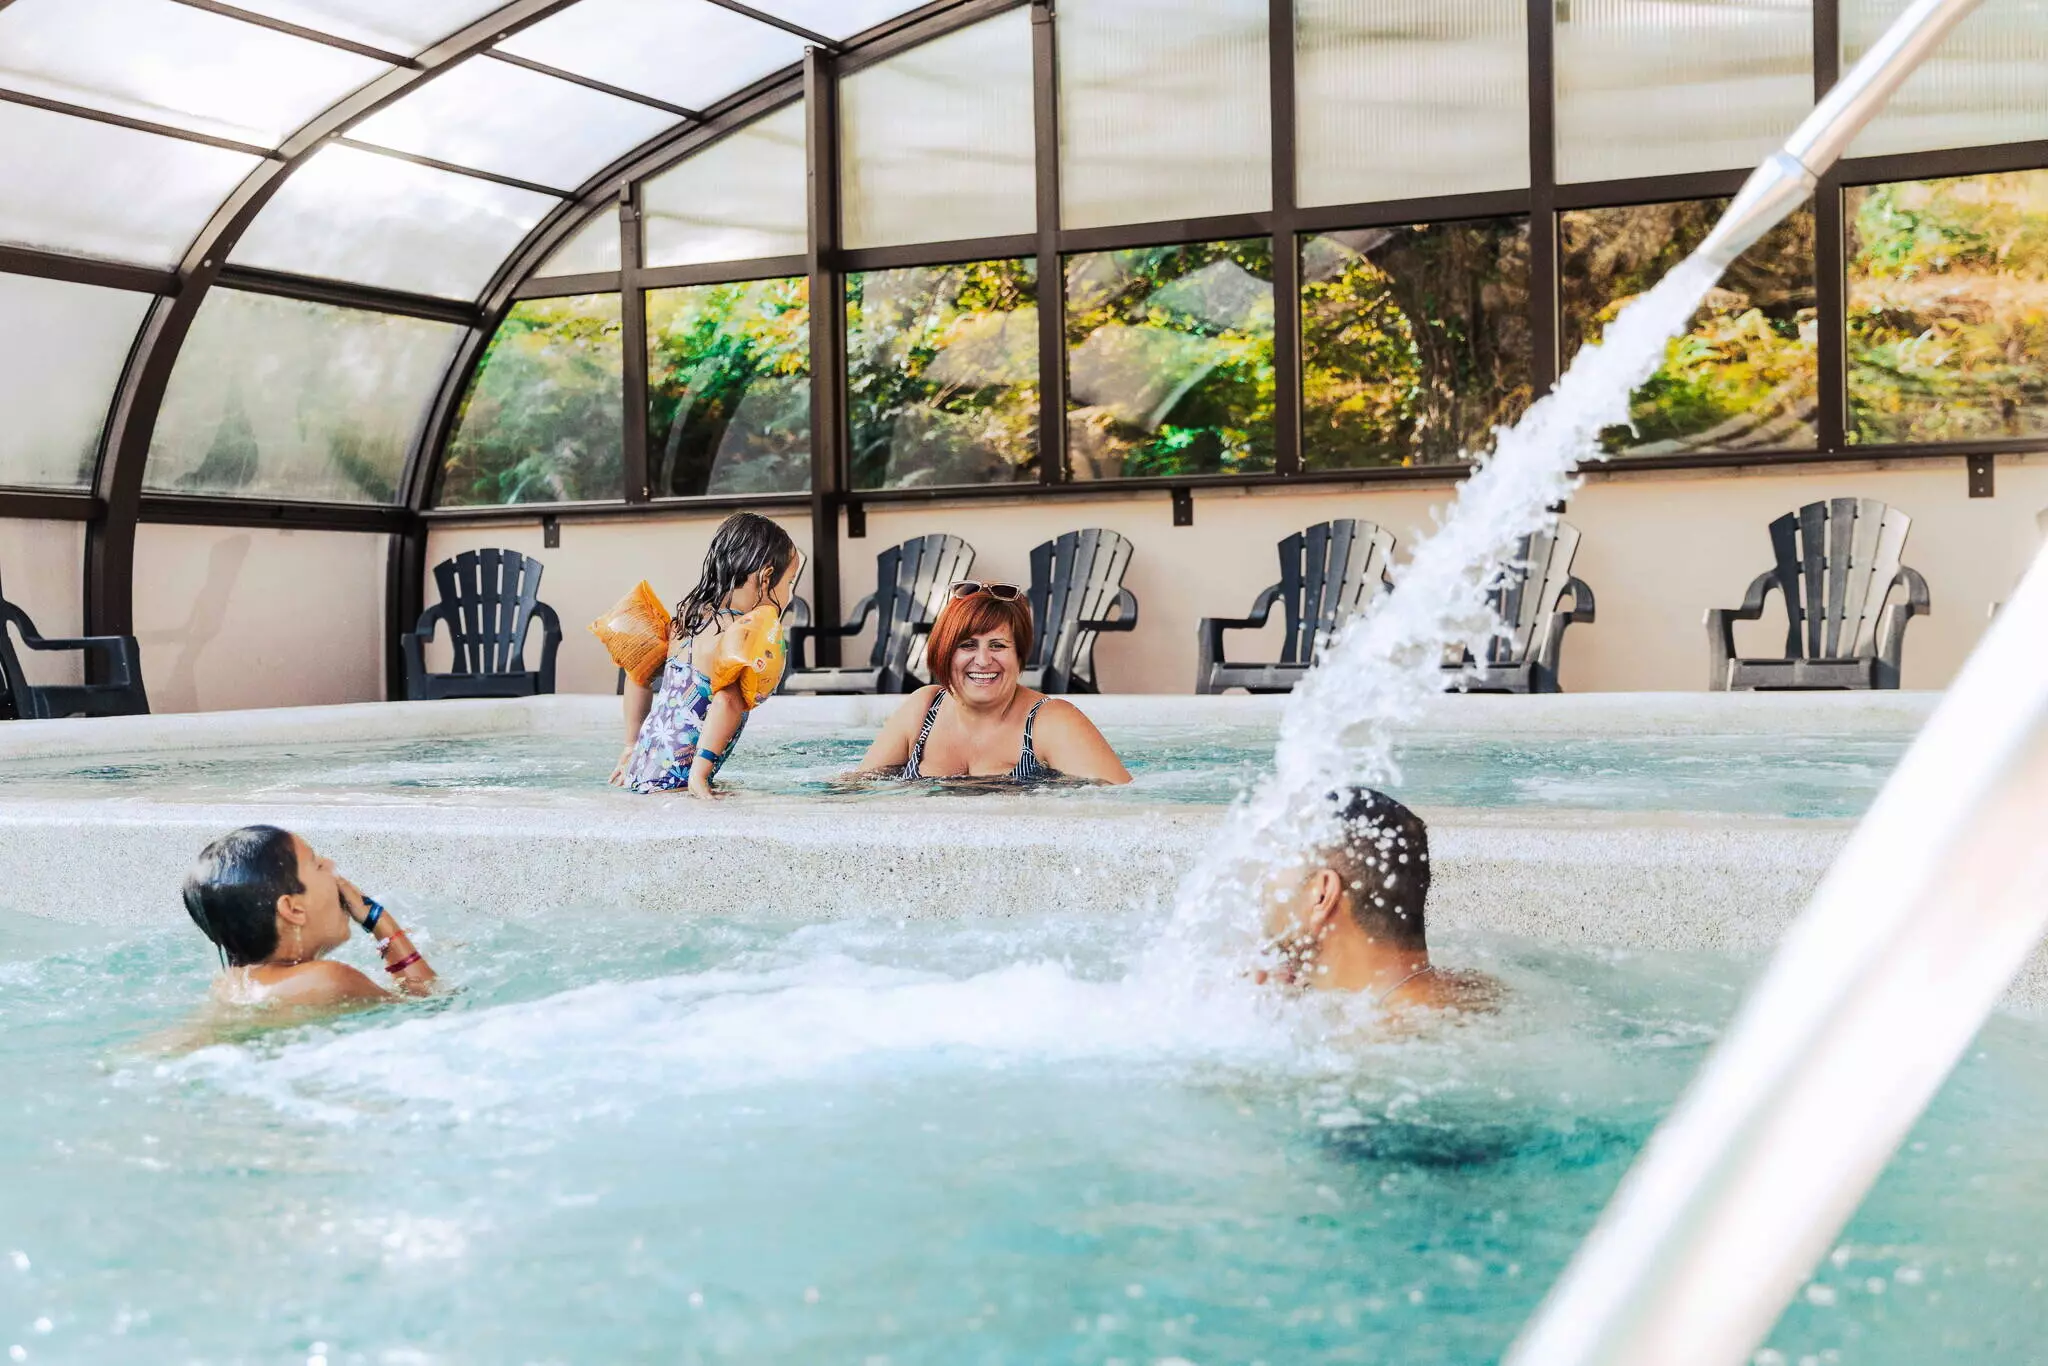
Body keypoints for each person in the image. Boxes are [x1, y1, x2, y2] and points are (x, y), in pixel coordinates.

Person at [857, 581, 1131, 786]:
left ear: (1019, 656)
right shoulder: (924, 708)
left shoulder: (1051, 721)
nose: (983, 660)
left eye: (998, 645)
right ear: (945, 652)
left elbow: (1120, 807)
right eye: (967, 645)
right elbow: (855, 790)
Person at [611, 512, 803, 797]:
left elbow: (639, 674)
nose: (790, 595)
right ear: (766, 577)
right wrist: (699, 777)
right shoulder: (737, 635)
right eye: (789, 583)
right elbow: (727, 702)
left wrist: (631, 745)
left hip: (641, 770)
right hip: (675, 782)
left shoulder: (687, 622)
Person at [1258, 788, 1496, 1010]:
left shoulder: (1375, 1033)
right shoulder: (1476, 992)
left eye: (1274, 866)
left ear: (1322, 894)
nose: (1261, 889)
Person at [182, 825, 436, 1012]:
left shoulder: (230, 985)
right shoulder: (328, 980)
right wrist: (378, 920)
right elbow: (427, 1005)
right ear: (293, 910)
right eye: (317, 864)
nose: (331, 864)